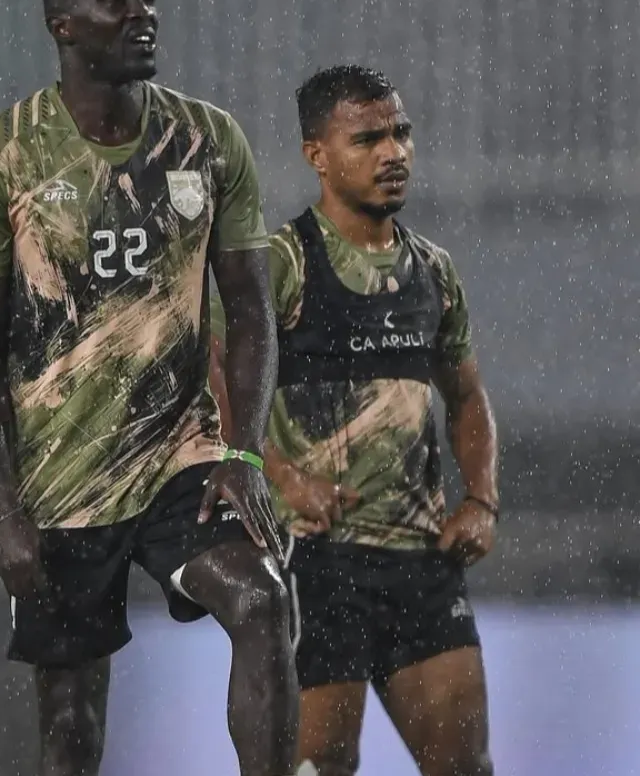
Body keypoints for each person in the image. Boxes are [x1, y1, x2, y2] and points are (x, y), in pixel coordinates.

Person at [0, 0, 298, 776]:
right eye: (118, 2)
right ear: (61, 24)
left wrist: (242, 452)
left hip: (183, 455)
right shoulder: (3, 154)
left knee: (261, 600)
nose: (143, 15)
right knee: (69, 724)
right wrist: (2, 511)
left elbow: (249, 312)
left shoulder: (207, 140)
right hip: (61, 474)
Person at [209, 65, 498, 776]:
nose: (393, 152)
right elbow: (208, 375)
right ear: (317, 155)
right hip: (315, 563)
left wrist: (482, 499)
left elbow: (466, 397)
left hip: (421, 563)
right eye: (367, 138)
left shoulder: (433, 270)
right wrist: (278, 478)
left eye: (400, 133)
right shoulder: (281, 263)